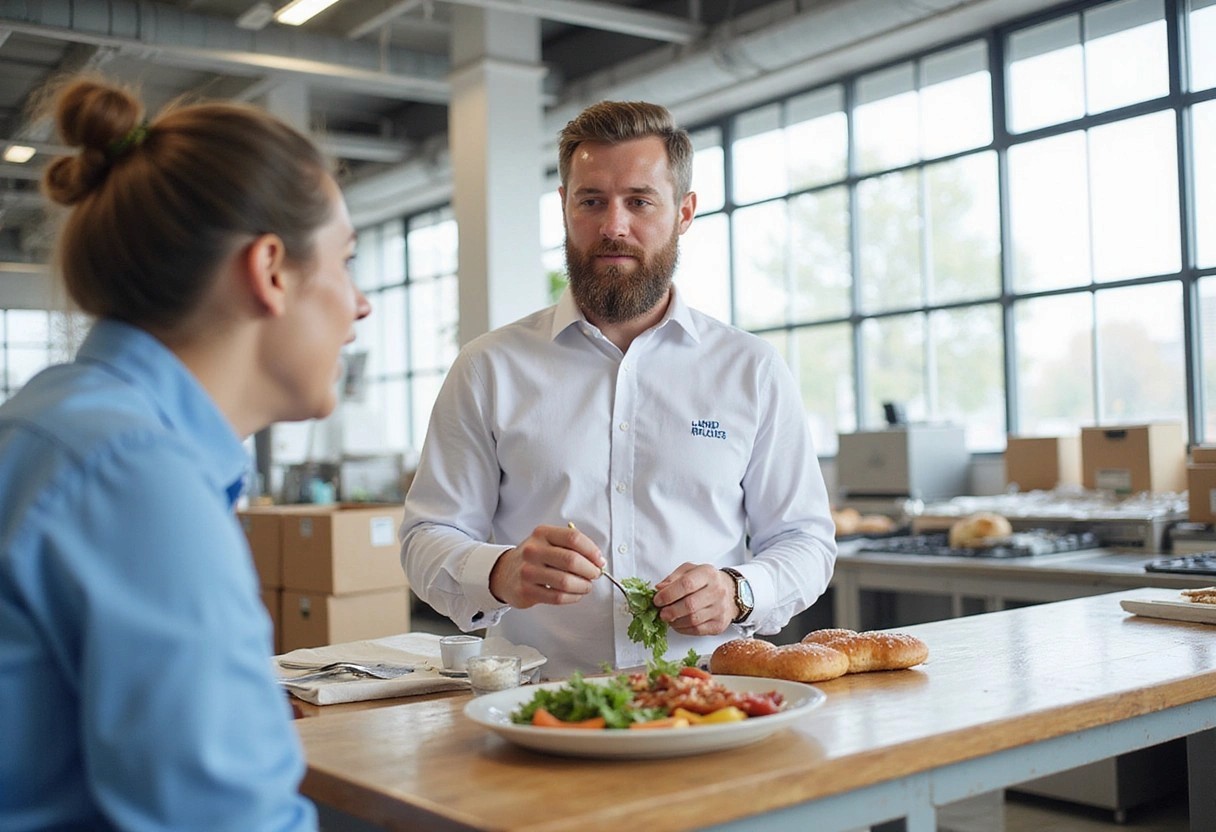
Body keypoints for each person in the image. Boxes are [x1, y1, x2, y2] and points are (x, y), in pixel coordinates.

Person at [0, 77, 370, 830]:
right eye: (347, 261)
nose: (360, 303)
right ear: (270, 270)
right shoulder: (136, 476)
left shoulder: (58, 422)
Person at [400, 100, 835, 678]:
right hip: (535, 705)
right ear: (563, 208)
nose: (613, 226)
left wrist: (740, 591)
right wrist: (500, 571)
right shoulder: (489, 367)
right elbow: (425, 537)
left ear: (683, 213)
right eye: (592, 201)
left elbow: (805, 540)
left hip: (704, 701)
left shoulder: (749, 369)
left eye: (639, 201)